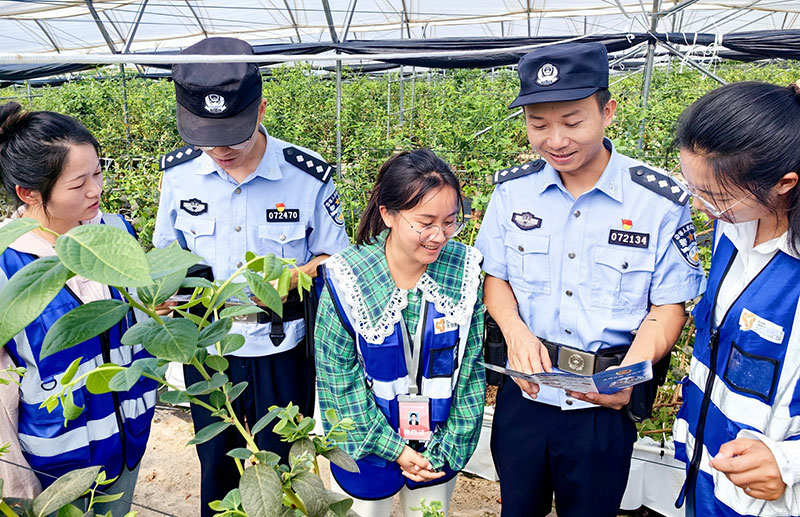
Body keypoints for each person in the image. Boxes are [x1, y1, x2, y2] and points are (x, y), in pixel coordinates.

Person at [474, 42, 706, 517]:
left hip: (604, 405)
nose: (555, 139)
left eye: (572, 122)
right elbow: (495, 276)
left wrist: (629, 374)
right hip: (526, 395)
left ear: (608, 112)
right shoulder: (512, 192)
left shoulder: (657, 202)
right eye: (538, 124)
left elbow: (668, 307)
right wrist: (516, 335)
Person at [152, 37, 349, 516]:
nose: (219, 150)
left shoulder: (307, 176)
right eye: (205, 136)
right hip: (209, 354)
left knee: (287, 472)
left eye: (232, 136)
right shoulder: (179, 176)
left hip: (281, 349)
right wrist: (161, 294)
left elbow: (338, 259)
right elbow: (165, 253)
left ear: (260, 111)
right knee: (217, 466)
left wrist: (301, 273)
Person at [0, 102, 156, 514]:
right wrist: (16, 482)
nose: (95, 191)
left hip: (127, 442)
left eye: (98, 173)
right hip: (57, 467)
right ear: (28, 193)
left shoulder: (116, 233)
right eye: (78, 183)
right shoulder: (7, 265)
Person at [315, 149, 485, 516]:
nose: (439, 236)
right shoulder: (348, 278)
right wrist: (397, 450)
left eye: (451, 222)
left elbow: (471, 369)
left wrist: (449, 445)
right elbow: (337, 381)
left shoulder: (465, 271)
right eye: (425, 222)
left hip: (439, 443)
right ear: (388, 214)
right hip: (365, 445)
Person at [672, 81, 800, 516]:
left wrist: (789, 463)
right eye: (694, 188)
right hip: (710, 467)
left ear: (784, 183)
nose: (702, 206)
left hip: (771, 495)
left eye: (718, 197)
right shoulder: (735, 228)